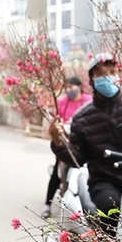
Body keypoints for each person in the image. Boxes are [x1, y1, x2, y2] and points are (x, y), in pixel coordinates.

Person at [48, 53, 122, 233]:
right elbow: (77, 159)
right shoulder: (82, 118)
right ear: (91, 79)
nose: (109, 77)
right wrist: (57, 141)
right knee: (113, 211)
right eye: (102, 74)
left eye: (113, 72)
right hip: (104, 181)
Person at [42, 76, 92, 218]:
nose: (69, 90)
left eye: (72, 87)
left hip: (85, 144)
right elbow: (57, 121)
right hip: (67, 144)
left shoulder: (88, 101)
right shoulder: (63, 103)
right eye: (67, 88)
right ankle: (47, 204)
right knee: (57, 174)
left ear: (80, 87)